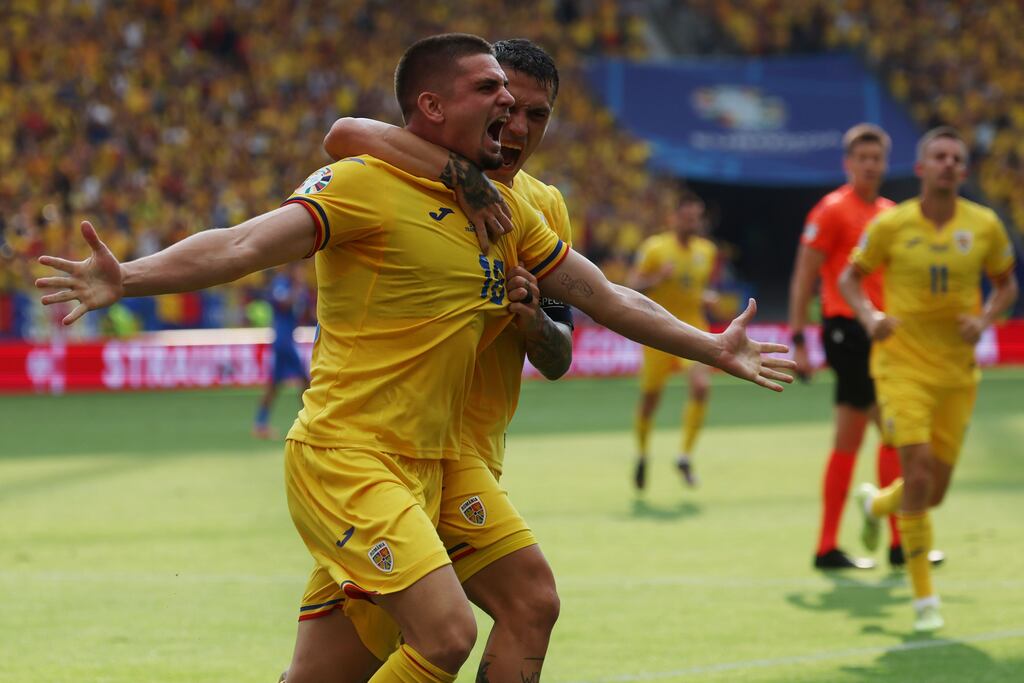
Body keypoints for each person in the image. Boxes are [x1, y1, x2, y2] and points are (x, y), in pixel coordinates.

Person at [37, 34, 796, 682]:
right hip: (350, 454)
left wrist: (709, 345)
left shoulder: (512, 209)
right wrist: (129, 276)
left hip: (436, 462)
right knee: (445, 635)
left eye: (524, 104)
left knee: (509, 608)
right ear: (433, 106)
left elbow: (605, 295)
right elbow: (242, 243)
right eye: (492, 90)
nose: (510, 109)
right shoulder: (365, 184)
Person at [299, 39, 574, 683]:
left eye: (537, 116)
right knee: (479, 620)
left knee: (338, 667)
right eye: (508, 106)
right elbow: (344, 133)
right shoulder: (402, 175)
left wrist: (533, 320)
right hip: (392, 453)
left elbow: (562, 352)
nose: (518, 127)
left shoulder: (542, 208)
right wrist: (462, 176)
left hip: (461, 457)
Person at [839, 126, 1018, 632]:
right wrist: (870, 316)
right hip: (901, 366)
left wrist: (984, 319)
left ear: (963, 170)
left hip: (957, 373)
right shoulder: (893, 224)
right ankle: (925, 602)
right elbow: (850, 277)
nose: (947, 164)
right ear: (921, 168)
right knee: (916, 474)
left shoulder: (984, 226)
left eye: (955, 158)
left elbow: (1006, 286)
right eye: (938, 156)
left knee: (932, 492)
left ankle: (875, 504)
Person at [788, 123, 899, 570]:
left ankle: (839, 544)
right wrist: (799, 339)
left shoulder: (891, 215)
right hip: (845, 330)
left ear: (885, 164)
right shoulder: (832, 210)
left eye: (877, 158)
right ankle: (887, 540)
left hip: (882, 333)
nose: (870, 165)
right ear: (848, 163)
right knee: (890, 430)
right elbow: (804, 277)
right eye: (862, 158)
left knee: (873, 434)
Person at [628, 193, 717, 490]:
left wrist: (706, 297)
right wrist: (657, 278)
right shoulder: (655, 248)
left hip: (692, 327)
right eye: (687, 217)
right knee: (650, 399)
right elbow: (631, 285)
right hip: (658, 329)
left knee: (701, 387)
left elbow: (694, 287)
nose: (693, 223)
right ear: (674, 218)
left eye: (696, 218)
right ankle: (642, 455)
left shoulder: (707, 251)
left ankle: (684, 457)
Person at [253, 262, 311, 439]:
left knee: (274, 384)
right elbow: (284, 304)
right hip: (283, 341)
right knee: (304, 381)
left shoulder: (297, 287)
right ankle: (310, 421)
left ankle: (260, 424)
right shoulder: (281, 284)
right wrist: (297, 288)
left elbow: (304, 312)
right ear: (291, 269)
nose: (301, 272)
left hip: (288, 339)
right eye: (299, 269)